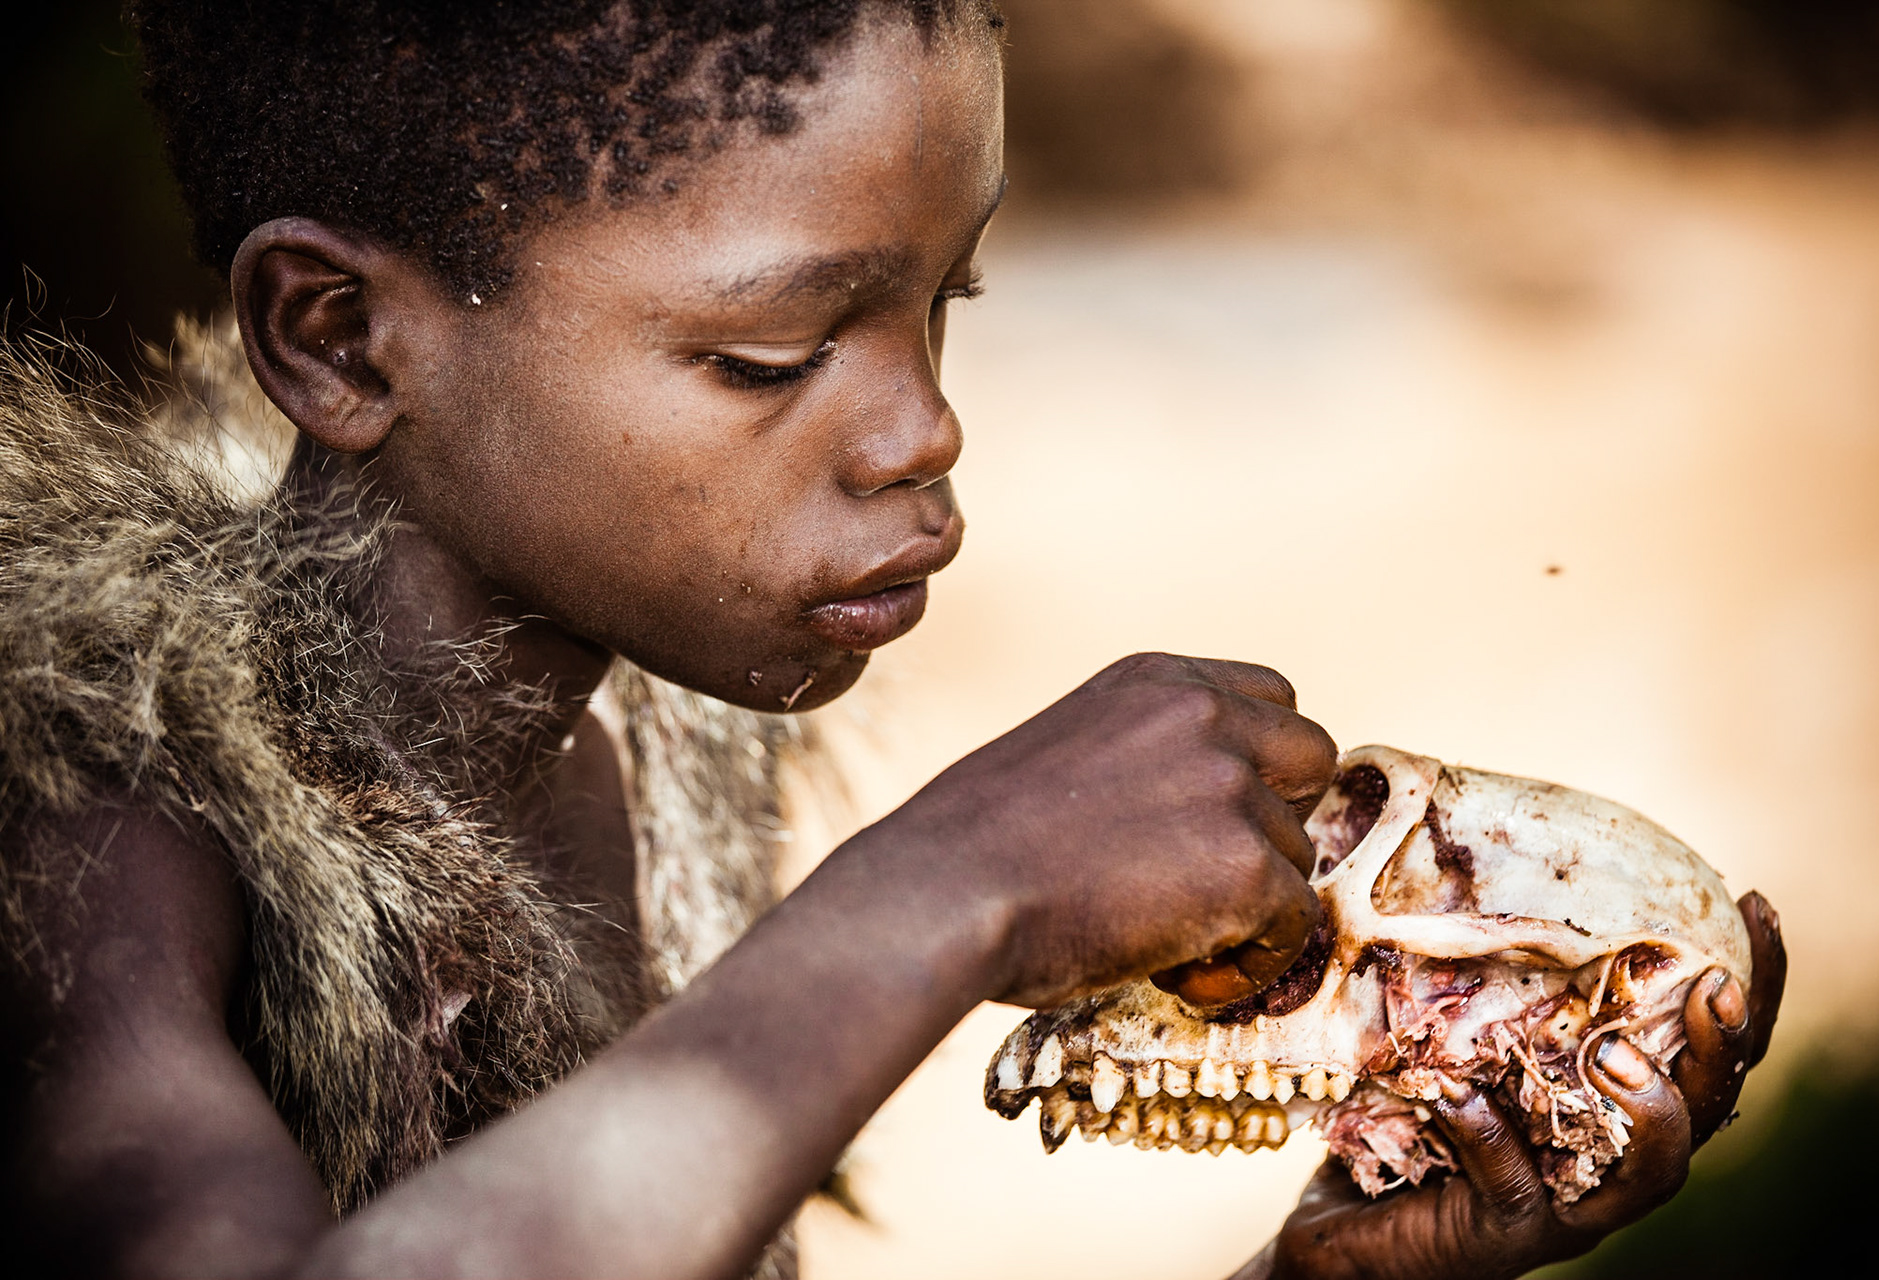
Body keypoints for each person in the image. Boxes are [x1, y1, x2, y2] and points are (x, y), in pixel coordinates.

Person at [0, 3, 1784, 1277]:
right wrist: (945, 887)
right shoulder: (94, 822)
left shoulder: (660, 765)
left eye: (944, 304)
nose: (922, 429)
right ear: (336, 338)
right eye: (773, 358)